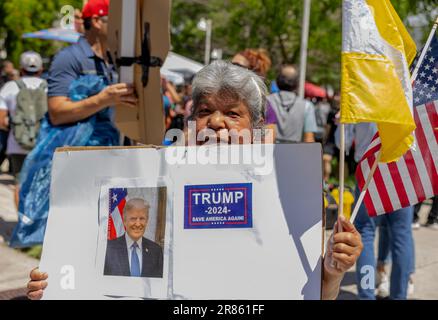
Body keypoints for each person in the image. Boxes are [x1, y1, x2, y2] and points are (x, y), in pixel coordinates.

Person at [27, 61, 362, 300]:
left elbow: (299, 291)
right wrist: (55, 285)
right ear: (189, 124)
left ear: (257, 129)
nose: (216, 122)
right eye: (204, 112)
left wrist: (332, 274)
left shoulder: (287, 196)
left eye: (232, 113)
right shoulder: (151, 181)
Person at [9, 0, 137, 248]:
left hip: (112, 155)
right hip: (76, 160)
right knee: (74, 231)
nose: (124, 27)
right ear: (98, 22)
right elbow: (57, 112)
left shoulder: (118, 60)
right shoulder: (69, 58)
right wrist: (102, 99)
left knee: (107, 231)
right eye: (117, 20)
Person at [335, 123, 415, 300]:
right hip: (402, 168)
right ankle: (399, 296)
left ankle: (366, 294)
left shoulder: (361, 96)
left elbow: (343, 142)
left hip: (369, 169)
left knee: (365, 232)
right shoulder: (407, 95)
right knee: (402, 234)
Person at [0, 51, 47, 208]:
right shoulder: (48, 87)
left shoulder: (10, 87)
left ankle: (21, 224)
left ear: (21, 69)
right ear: (40, 69)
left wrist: (18, 129)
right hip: (44, 144)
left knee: (20, 183)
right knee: (42, 184)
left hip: (18, 144)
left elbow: (1, 121)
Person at [104, 198, 163, 278]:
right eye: (133, 218)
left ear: (147, 221)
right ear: (124, 221)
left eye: (142, 218)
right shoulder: (108, 249)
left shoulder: (156, 251)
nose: (138, 224)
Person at [265, 64, 318, 143]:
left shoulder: (265, 101)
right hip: (295, 152)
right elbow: (309, 139)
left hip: (269, 150)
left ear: (277, 82)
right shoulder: (307, 106)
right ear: (297, 83)